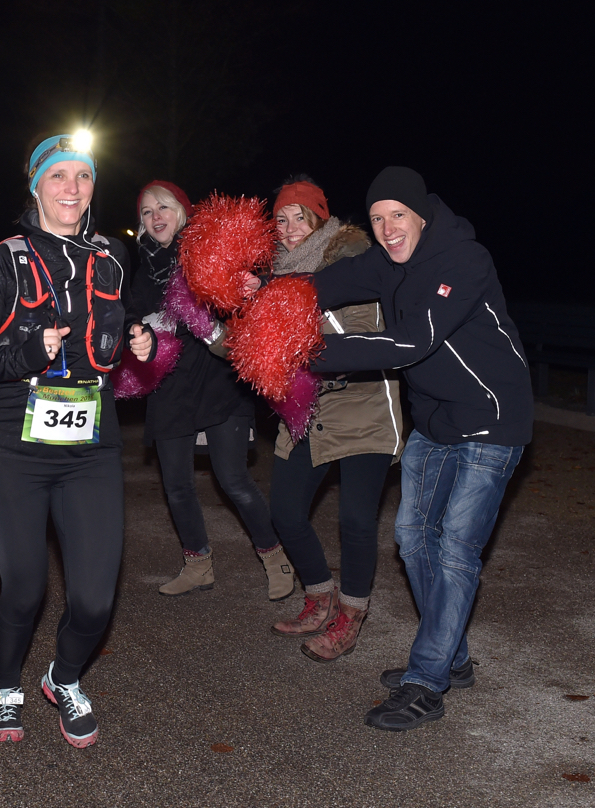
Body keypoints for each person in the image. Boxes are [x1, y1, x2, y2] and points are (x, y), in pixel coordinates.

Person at [306, 166, 531, 730]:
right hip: (432, 423)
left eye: (396, 216)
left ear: (421, 216)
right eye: (377, 219)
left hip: (492, 421)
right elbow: (322, 283)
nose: (386, 229)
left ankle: (425, 680)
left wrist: (310, 352)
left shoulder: (464, 260)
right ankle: (451, 657)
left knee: (456, 549)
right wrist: (268, 294)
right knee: (411, 539)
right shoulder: (386, 262)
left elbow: (413, 341)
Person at [0, 134, 154, 748]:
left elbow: (108, 342)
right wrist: (23, 352)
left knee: (95, 602)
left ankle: (62, 679)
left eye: (83, 177)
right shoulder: (6, 259)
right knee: (26, 588)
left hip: (90, 446)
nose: (72, 188)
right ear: (36, 186)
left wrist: (136, 346)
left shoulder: (114, 257)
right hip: (11, 447)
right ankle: (6, 685)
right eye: (59, 175)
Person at [128, 181, 294, 601]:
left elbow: (251, 281)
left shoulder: (206, 252)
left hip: (219, 382)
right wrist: (136, 331)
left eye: (163, 207)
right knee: (177, 485)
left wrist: (251, 284)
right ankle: (197, 564)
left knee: (234, 478)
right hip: (169, 388)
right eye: (147, 212)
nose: (155, 217)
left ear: (183, 212)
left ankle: (276, 559)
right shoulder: (141, 269)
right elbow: (129, 314)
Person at [263, 178, 403, 661]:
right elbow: (247, 348)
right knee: (284, 510)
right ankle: (320, 595)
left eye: (300, 216)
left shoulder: (351, 262)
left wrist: (297, 339)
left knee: (357, 520)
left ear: (321, 219)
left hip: (362, 403)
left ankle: (350, 614)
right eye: (280, 219)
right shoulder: (274, 277)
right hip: (309, 408)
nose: (289, 228)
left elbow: (366, 336)